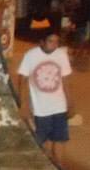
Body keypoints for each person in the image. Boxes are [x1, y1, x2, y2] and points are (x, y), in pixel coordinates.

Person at [17, 29, 73, 161]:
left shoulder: (61, 55)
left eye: (57, 42)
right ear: (41, 42)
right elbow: (22, 80)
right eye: (50, 41)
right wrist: (24, 104)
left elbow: (65, 80)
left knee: (60, 139)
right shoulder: (31, 55)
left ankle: (59, 166)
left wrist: (70, 102)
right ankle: (45, 165)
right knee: (43, 141)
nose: (54, 45)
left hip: (59, 106)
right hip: (40, 109)